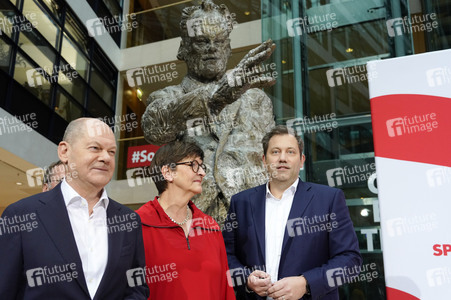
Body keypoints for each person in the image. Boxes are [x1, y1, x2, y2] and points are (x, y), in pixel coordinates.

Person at [141, 0, 276, 221]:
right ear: (183, 48)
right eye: (202, 41)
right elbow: (155, 128)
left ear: (228, 47)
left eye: (220, 41)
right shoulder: (168, 97)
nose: (212, 48)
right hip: (195, 219)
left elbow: (271, 158)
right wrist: (213, 99)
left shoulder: (256, 99)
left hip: (252, 217)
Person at [0, 118, 149, 299]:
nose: (105, 157)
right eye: (95, 148)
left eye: (112, 152)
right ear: (64, 152)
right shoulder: (21, 214)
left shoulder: (128, 220)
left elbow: (136, 288)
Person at [222, 125, 362, 300]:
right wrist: (246, 280)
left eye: (290, 152)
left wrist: (306, 283)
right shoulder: (241, 202)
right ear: (264, 160)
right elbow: (225, 255)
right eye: (275, 152)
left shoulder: (329, 200)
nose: (282, 158)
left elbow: (350, 261)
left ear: (302, 160)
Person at [136, 140, 235, 300]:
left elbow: (226, 289)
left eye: (202, 166)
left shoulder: (210, 226)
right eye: (193, 165)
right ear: (167, 172)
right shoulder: (139, 225)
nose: (202, 172)